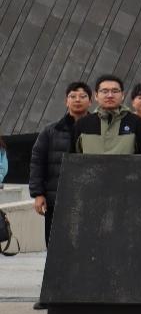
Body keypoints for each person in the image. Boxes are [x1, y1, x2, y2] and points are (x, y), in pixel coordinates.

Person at [29, 82, 91, 245]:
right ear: (66, 101)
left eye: (83, 96)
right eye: (73, 96)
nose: (77, 100)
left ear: (91, 101)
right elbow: (37, 162)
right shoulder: (51, 130)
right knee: (55, 244)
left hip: (90, 198)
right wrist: (38, 194)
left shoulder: (98, 129)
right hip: (56, 197)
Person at [75, 74, 141, 155]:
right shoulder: (82, 124)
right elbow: (71, 157)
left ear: (122, 95)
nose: (110, 95)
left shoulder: (137, 123)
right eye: (105, 91)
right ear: (96, 96)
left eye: (115, 91)